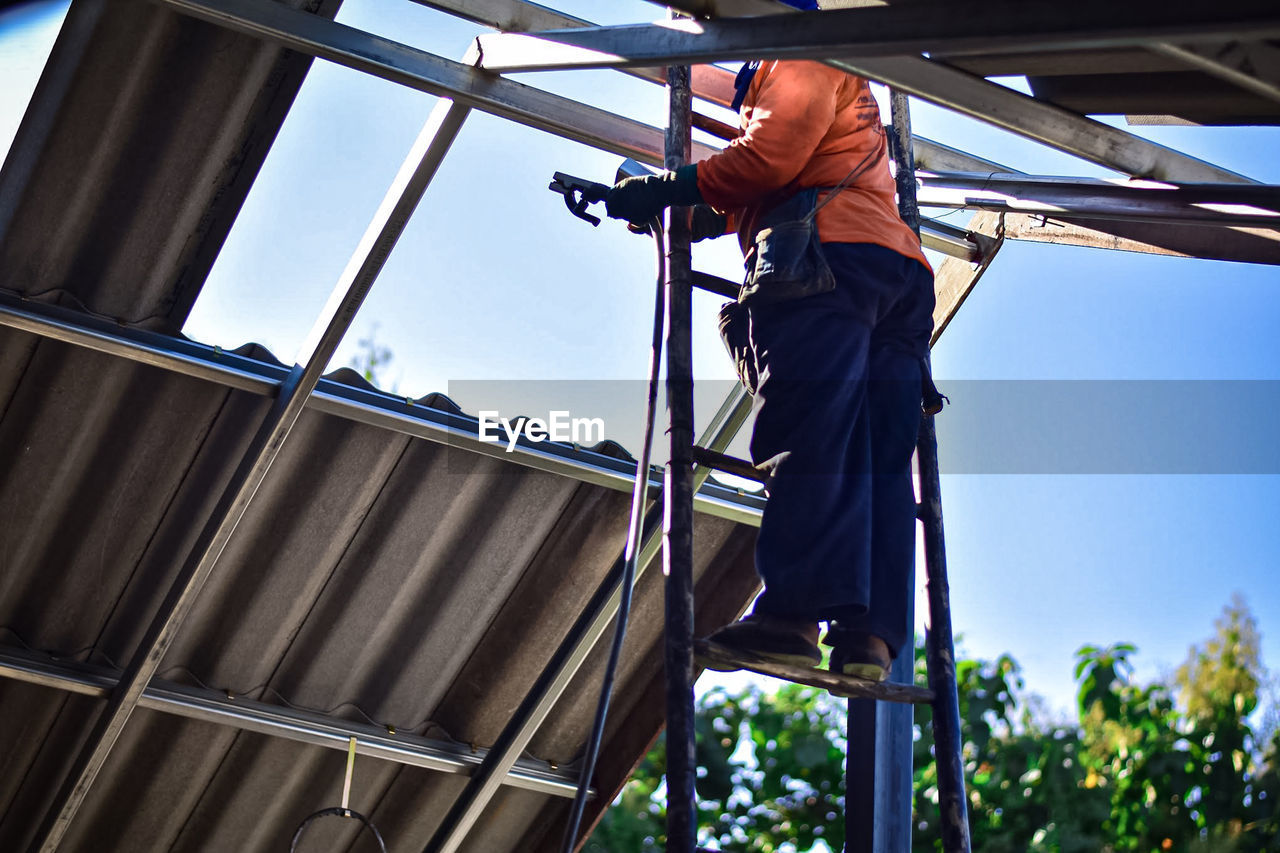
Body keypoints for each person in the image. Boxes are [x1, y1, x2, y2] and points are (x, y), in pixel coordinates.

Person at [605, 51, 935, 682]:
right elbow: (774, 181)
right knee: (876, 460)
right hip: (891, 275)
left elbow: (767, 160)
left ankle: (791, 620)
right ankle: (870, 638)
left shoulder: (800, 54)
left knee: (806, 430)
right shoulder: (841, 84)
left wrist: (674, 186)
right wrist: (683, 210)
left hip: (831, 265)